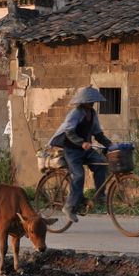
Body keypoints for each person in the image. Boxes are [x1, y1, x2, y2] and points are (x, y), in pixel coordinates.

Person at [49, 86, 112, 223]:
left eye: (93, 102)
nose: (92, 104)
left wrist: (110, 145)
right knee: (79, 175)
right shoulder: (76, 113)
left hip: (85, 149)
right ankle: (69, 206)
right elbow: (69, 132)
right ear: (84, 102)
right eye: (90, 102)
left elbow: (98, 134)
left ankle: (100, 196)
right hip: (71, 149)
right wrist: (81, 142)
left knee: (101, 163)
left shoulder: (93, 114)